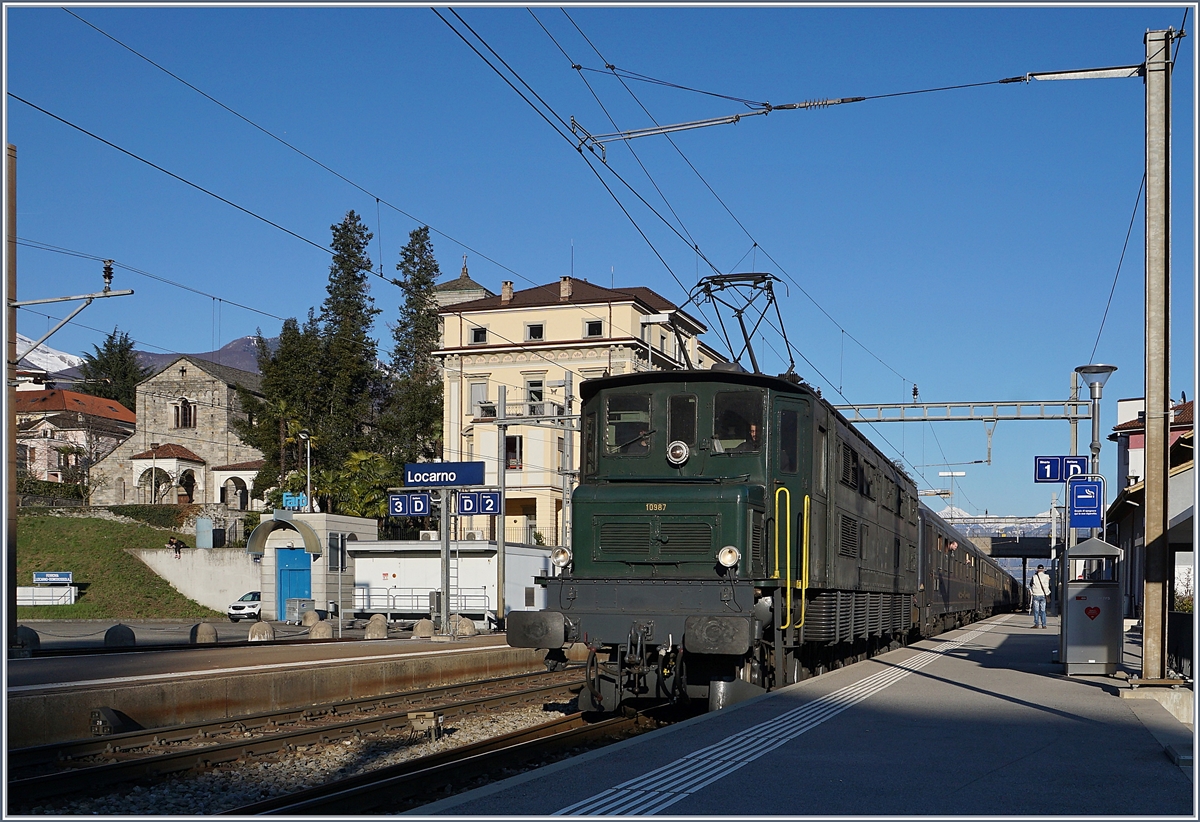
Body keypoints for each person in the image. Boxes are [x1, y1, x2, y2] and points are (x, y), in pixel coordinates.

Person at [1029, 564, 1051, 628]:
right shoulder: (1047, 576)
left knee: (1036, 611)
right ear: (1043, 569)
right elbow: (1048, 585)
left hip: (1036, 594)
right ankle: (1044, 625)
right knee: (1043, 610)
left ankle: (1036, 624)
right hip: (1043, 595)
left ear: (1037, 569)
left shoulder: (1034, 577)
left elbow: (1031, 584)